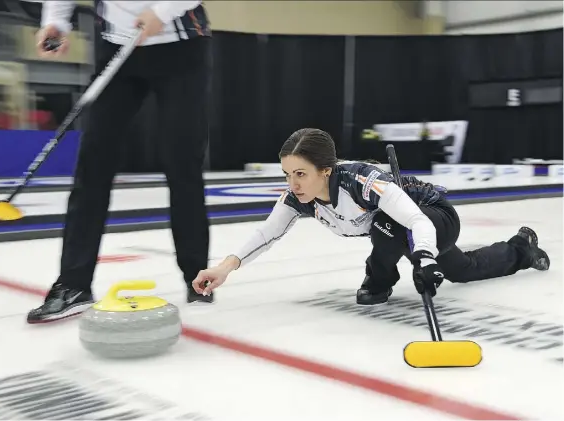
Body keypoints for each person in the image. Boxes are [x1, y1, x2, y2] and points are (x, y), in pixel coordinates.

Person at [192, 128, 550, 304]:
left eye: (300, 174)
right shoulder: (298, 198)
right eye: (287, 174)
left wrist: (424, 257)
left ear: (326, 170)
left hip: (432, 217)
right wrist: (223, 267)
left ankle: (378, 281)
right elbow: (267, 234)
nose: (292, 183)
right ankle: (521, 248)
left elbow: (418, 223)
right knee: (462, 270)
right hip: (397, 231)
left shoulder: (362, 182)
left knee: (387, 224)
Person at [27, 1, 213, 324]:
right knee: (93, 163)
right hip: (117, 46)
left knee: (182, 163)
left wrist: (162, 13)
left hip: (181, 48)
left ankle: (197, 276)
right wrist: (55, 22)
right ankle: (73, 284)